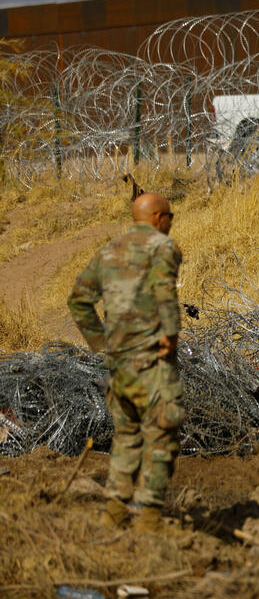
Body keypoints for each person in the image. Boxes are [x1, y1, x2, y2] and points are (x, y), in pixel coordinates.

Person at [67, 192, 184, 533]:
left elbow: (78, 301)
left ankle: (113, 514)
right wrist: (171, 333)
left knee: (127, 436)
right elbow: (165, 288)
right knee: (162, 435)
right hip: (152, 361)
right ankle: (148, 522)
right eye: (170, 216)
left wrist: (103, 343)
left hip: (119, 365)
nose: (171, 223)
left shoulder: (108, 250)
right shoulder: (163, 247)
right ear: (159, 218)